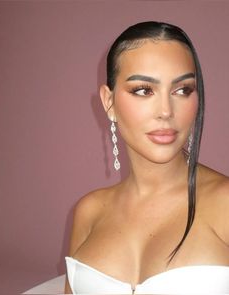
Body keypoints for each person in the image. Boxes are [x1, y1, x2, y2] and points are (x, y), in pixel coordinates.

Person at [64, 21, 229, 294]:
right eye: (143, 90)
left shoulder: (225, 204)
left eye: (182, 90)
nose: (166, 111)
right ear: (109, 102)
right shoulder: (89, 212)